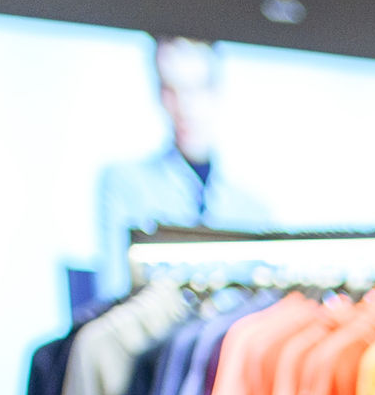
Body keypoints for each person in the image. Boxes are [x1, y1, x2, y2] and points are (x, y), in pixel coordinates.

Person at [88, 36, 273, 302]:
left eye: (197, 88)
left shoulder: (254, 209)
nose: (184, 107)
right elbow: (113, 294)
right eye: (171, 90)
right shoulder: (125, 182)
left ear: (216, 91)